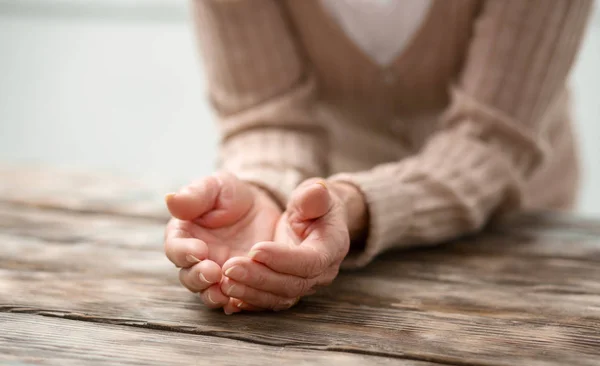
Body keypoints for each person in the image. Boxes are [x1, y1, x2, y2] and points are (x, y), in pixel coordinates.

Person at [164, 0, 593, 314]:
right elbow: (266, 119)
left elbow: (488, 144)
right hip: (332, 245)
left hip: (517, 235)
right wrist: (261, 193)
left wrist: (356, 205)